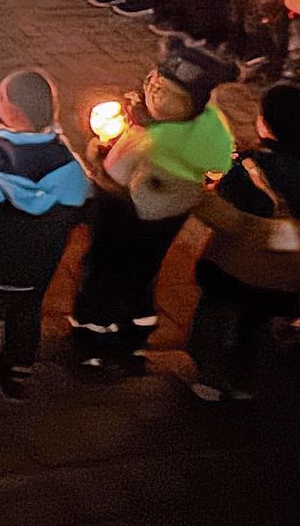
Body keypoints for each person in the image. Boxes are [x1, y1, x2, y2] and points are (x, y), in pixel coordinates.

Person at [69, 39, 236, 372]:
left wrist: (96, 156)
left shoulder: (154, 142)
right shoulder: (205, 128)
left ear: (193, 103)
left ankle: (93, 344)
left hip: (125, 217)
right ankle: (133, 341)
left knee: (104, 275)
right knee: (143, 276)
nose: (154, 93)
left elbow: (114, 180)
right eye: (153, 83)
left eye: (169, 93)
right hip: (165, 221)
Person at [188, 84, 300, 401]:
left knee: (216, 318)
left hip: (232, 269)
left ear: (265, 125)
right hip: (285, 279)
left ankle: (210, 378)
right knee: (254, 325)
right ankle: (243, 382)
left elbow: (228, 210)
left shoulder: (249, 168)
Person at [0, 71, 90, 402]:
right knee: (26, 316)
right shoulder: (68, 162)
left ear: (10, 110)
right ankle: (16, 375)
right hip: (37, 267)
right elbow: (81, 200)